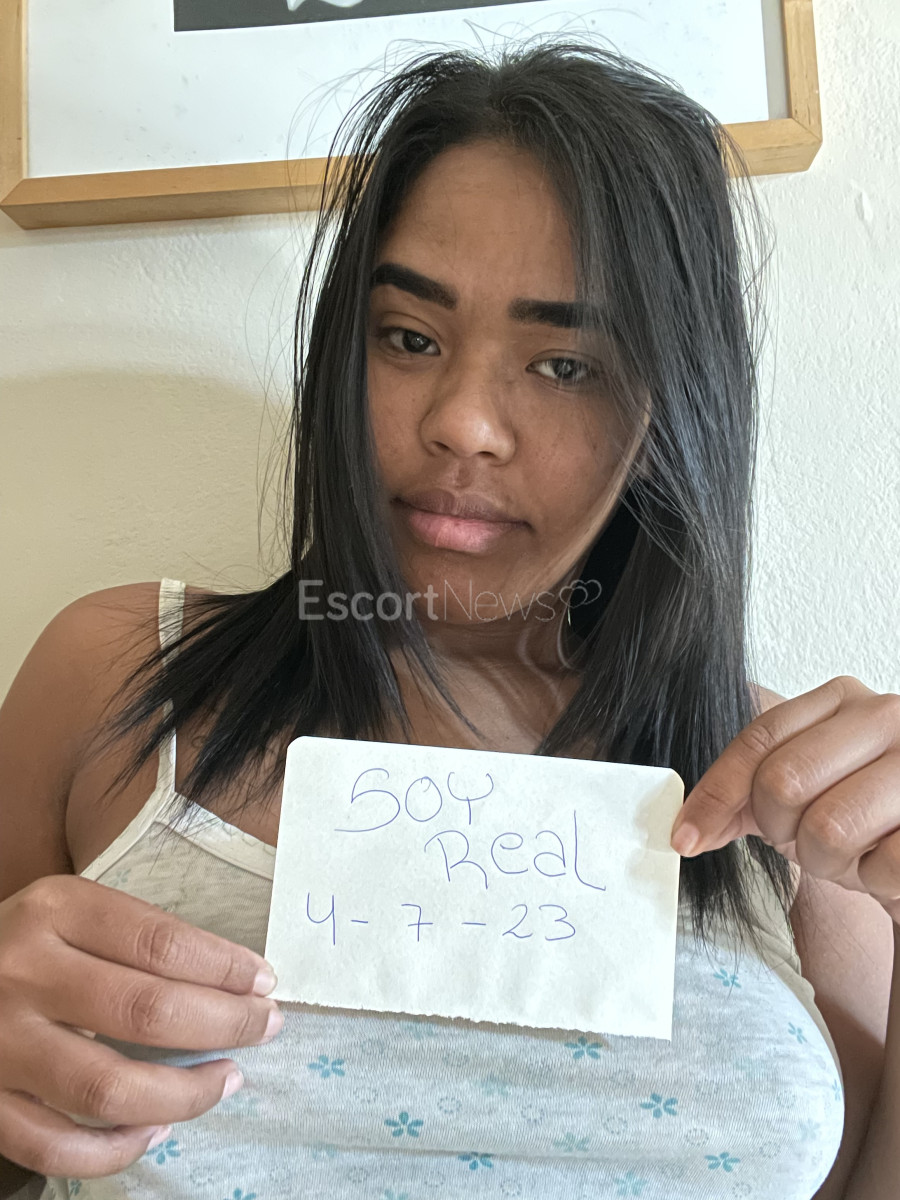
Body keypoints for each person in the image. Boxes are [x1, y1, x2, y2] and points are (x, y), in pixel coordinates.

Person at [0, 38, 897, 1200]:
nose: (464, 421)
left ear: (673, 411)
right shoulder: (119, 680)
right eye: (410, 339)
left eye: (565, 364)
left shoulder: (791, 801)